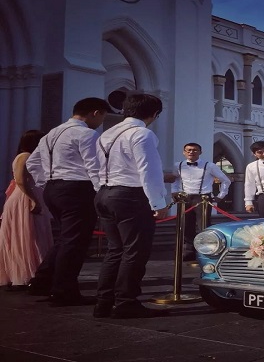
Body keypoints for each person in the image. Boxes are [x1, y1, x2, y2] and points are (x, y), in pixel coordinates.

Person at [26, 98, 110, 305]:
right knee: (75, 242)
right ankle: (64, 291)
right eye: (102, 117)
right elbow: (93, 166)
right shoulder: (86, 133)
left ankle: (42, 282)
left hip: (54, 189)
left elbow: (32, 163)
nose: (101, 122)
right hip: (77, 189)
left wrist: (46, 183)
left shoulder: (51, 134)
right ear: (95, 113)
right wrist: (101, 192)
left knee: (66, 239)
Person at [93, 93, 169, 319]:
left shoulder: (107, 133)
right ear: (154, 114)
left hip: (105, 193)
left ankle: (103, 303)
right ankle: (126, 302)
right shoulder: (142, 133)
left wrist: (103, 191)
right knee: (134, 251)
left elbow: (95, 166)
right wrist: (159, 203)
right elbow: (149, 170)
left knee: (115, 250)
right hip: (129, 196)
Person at [0, 130, 53, 290]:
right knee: (28, 234)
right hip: (25, 197)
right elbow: (21, 180)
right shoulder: (25, 156)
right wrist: (33, 199)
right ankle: (28, 274)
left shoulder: (28, 156)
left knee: (31, 234)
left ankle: (34, 274)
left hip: (29, 195)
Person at [169, 142, 231, 261]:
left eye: (194, 150)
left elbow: (225, 180)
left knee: (203, 225)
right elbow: (175, 180)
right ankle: (189, 251)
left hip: (202, 198)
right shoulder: (178, 165)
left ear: (200, 152)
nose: (191, 152)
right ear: (184, 152)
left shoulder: (209, 165)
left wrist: (221, 196)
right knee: (186, 226)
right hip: (185, 198)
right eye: (188, 150)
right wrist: (174, 192)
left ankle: (205, 252)